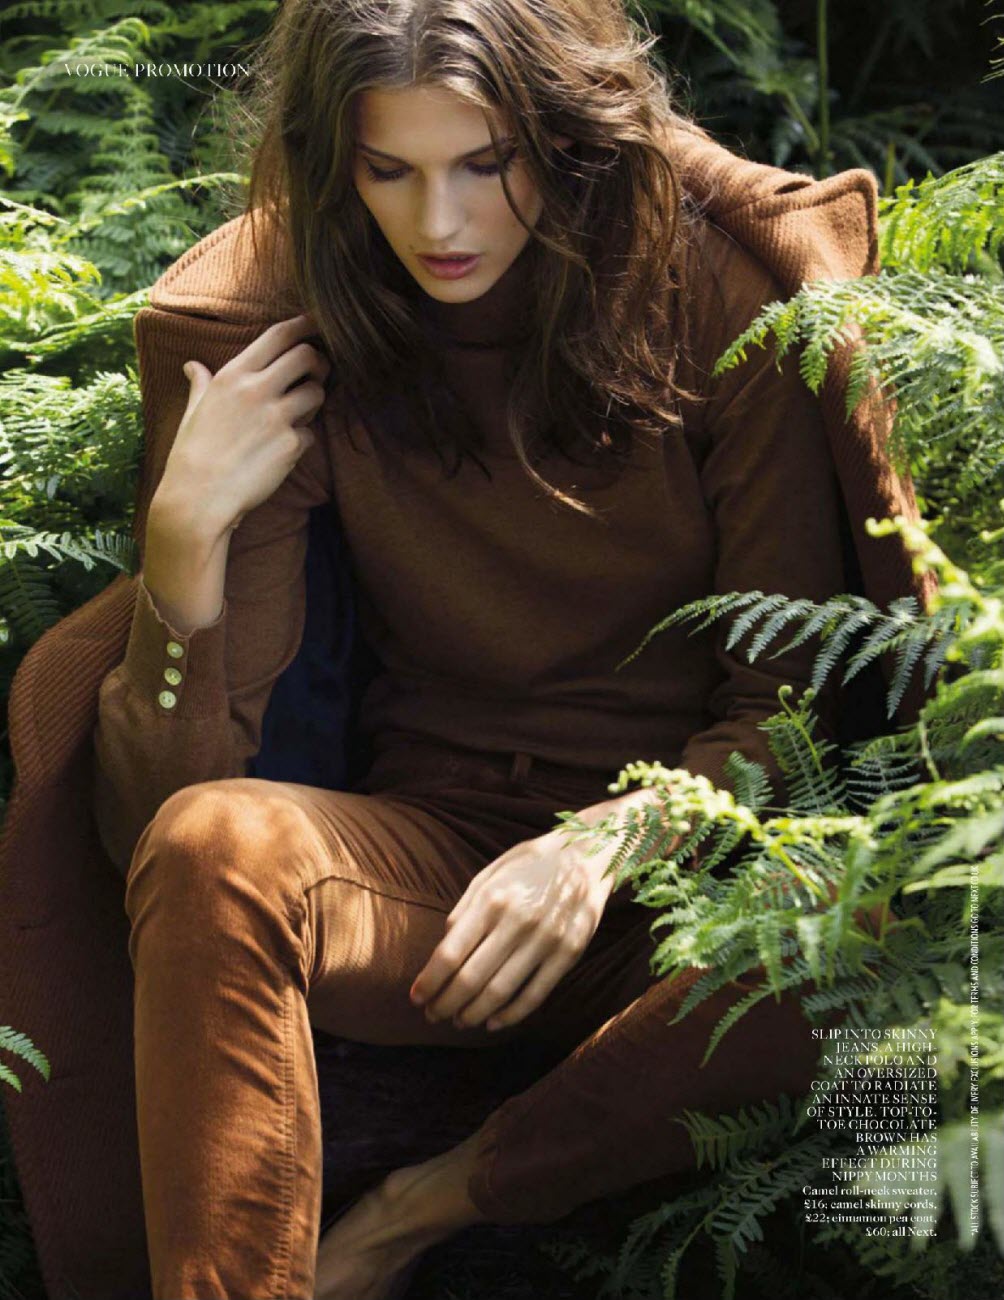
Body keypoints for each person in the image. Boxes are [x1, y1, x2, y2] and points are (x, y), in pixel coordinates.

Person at [90, 1, 874, 1296]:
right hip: (430, 876)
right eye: (388, 171)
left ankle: (422, 1207)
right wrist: (183, 541)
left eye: (483, 164)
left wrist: (602, 846)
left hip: (675, 888)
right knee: (211, 845)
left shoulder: (719, 302)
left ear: (564, 141)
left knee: (862, 932)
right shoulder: (295, 333)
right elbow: (154, 824)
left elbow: (782, 712)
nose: (438, 223)